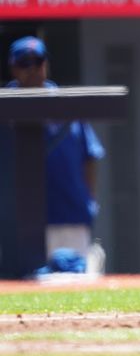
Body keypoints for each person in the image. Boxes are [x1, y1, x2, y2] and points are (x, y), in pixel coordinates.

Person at [5, 36, 106, 272]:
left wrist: (89, 201)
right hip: (18, 221)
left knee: (74, 282)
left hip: (68, 213)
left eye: (37, 62)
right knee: (26, 286)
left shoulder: (67, 104)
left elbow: (90, 157)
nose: (32, 69)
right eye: (24, 63)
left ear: (46, 64)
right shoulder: (4, 106)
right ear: (13, 68)